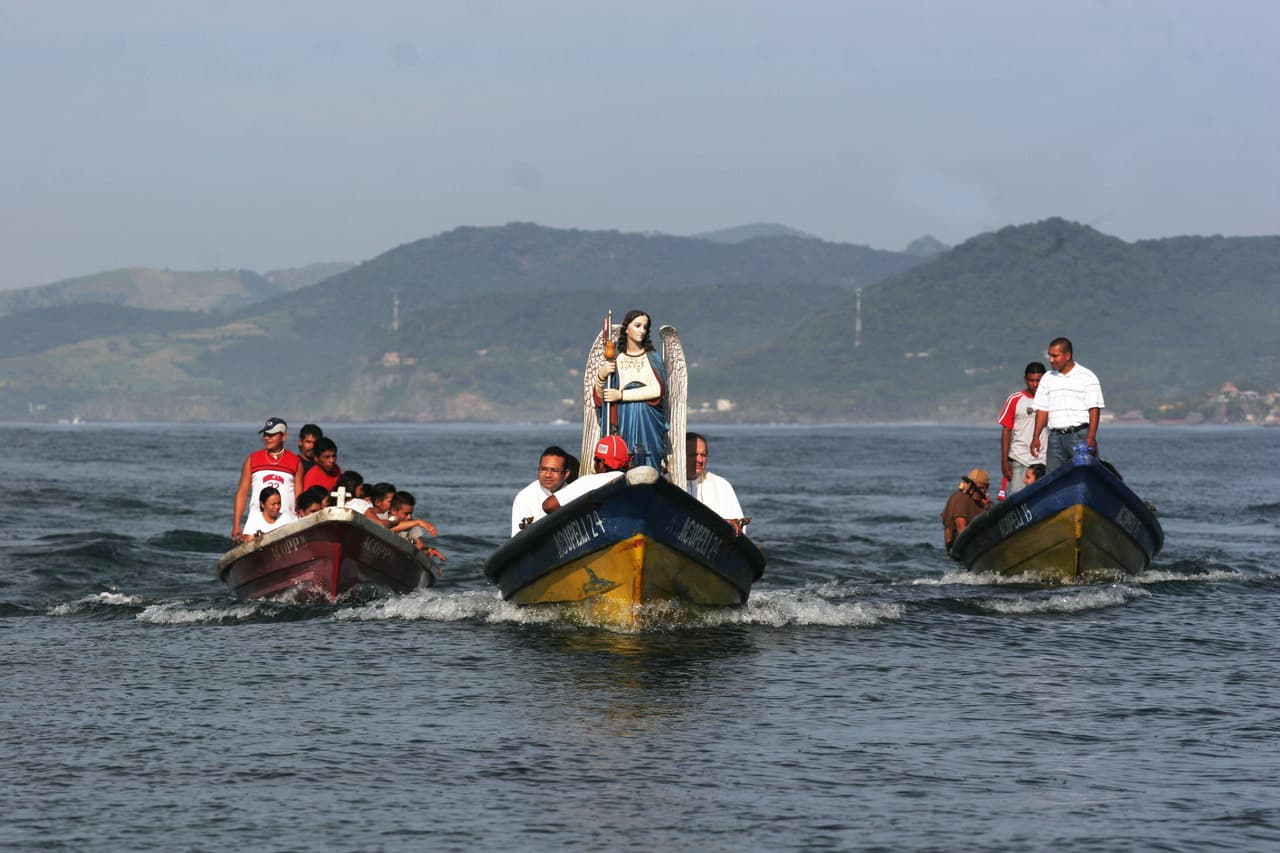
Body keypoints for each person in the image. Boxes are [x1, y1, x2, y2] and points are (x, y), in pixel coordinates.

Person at [593, 309, 669, 471]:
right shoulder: (617, 360)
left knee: (649, 457)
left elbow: (657, 390)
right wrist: (601, 375)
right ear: (626, 328)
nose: (642, 330)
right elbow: (602, 397)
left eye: (645, 327)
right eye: (637, 325)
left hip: (649, 418)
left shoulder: (653, 359)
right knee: (626, 454)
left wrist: (621, 394)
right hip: (625, 417)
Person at [1030, 337, 1105, 473]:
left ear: (1067, 355)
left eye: (1055, 356)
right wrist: (1036, 437)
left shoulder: (1087, 377)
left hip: (1080, 437)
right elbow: (1042, 410)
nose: (1050, 360)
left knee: (1085, 474)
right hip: (1055, 438)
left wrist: (1091, 438)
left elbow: (1094, 410)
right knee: (1053, 479)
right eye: (1049, 355)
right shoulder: (1047, 378)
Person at [232, 417, 305, 543]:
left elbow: (299, 495)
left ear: (284, 436)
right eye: (265, 434)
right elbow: (242, 492)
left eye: (272, 435)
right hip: (257, 524)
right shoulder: (252, 459)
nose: (267, 438)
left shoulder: (296, 462)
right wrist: (236, 524)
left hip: (288, 524)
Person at [542, 435, 630, 514]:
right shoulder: (631, 479)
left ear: (602, 463)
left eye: (596, 459)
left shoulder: (591, 481)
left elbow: (549, 505)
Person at [998, 361, 1047, 497]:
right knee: (1015, 497)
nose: (1035, 384)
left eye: (1039, 380)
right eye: (1031, 380)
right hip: (1019, 458)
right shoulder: (1015, 399)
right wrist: (1004, 461)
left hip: (1044, 460)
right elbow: (1006, 430)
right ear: (1025, 380)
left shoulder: (1052, 400)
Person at [685, 432, 748, 536]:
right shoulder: (667, 484)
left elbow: (740, 527)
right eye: (694, 455)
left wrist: (730, 526)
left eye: (703, 455)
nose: (699, 460)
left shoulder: (722, 485)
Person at [510, 445, 573, 535]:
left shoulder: (575, 493)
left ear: (566, 474)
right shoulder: (524, 498)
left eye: (554, 470)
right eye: (543, 469)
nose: (548, 475)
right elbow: (517, 541)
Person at [942, 468, 991, 551]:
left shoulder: (982, 501)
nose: (977, 491)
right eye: (975, 488)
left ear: (987, 487)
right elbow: (961, 528)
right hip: (959, 546)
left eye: (981, 488)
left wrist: (986, 507)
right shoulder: (961, 498)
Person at [388, 491, 444, 562]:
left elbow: (418, 545)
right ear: (393, 511)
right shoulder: (382, 518)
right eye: (406, 514)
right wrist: (418, 522)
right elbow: (389, 528)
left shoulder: (408, 533)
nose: (409, 517)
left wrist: (429, 550)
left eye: (411, 513)